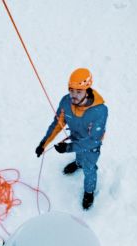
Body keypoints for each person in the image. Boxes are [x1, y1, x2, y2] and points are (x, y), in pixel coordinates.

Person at [35, 68, 108, 211]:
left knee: (89, 168)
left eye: (78, 91)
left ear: (87, 90)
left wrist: (68, 148)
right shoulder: (66, 101)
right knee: (79, 157)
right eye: (71, 90)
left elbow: (94, 140)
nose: (73, 95)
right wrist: (43, 144)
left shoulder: (100, 111)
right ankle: (78, 163)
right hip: (76, 138)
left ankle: (89, 191)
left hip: (90, 145)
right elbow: (57, 124)